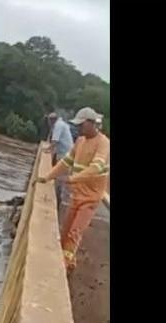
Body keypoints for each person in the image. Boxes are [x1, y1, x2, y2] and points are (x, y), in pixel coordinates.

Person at [37, 107, 109, 274]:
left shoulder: (103, 143)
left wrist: (71, 179)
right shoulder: (80, 141)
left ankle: (65, 267)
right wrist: (48, 176)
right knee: (66, 230)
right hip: (77, 195)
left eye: (81, 125)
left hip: (90, 199)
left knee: (74, 233)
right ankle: (66, 262)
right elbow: (66, 162)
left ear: (92, 124)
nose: (78, 128)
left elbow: (95, 169)